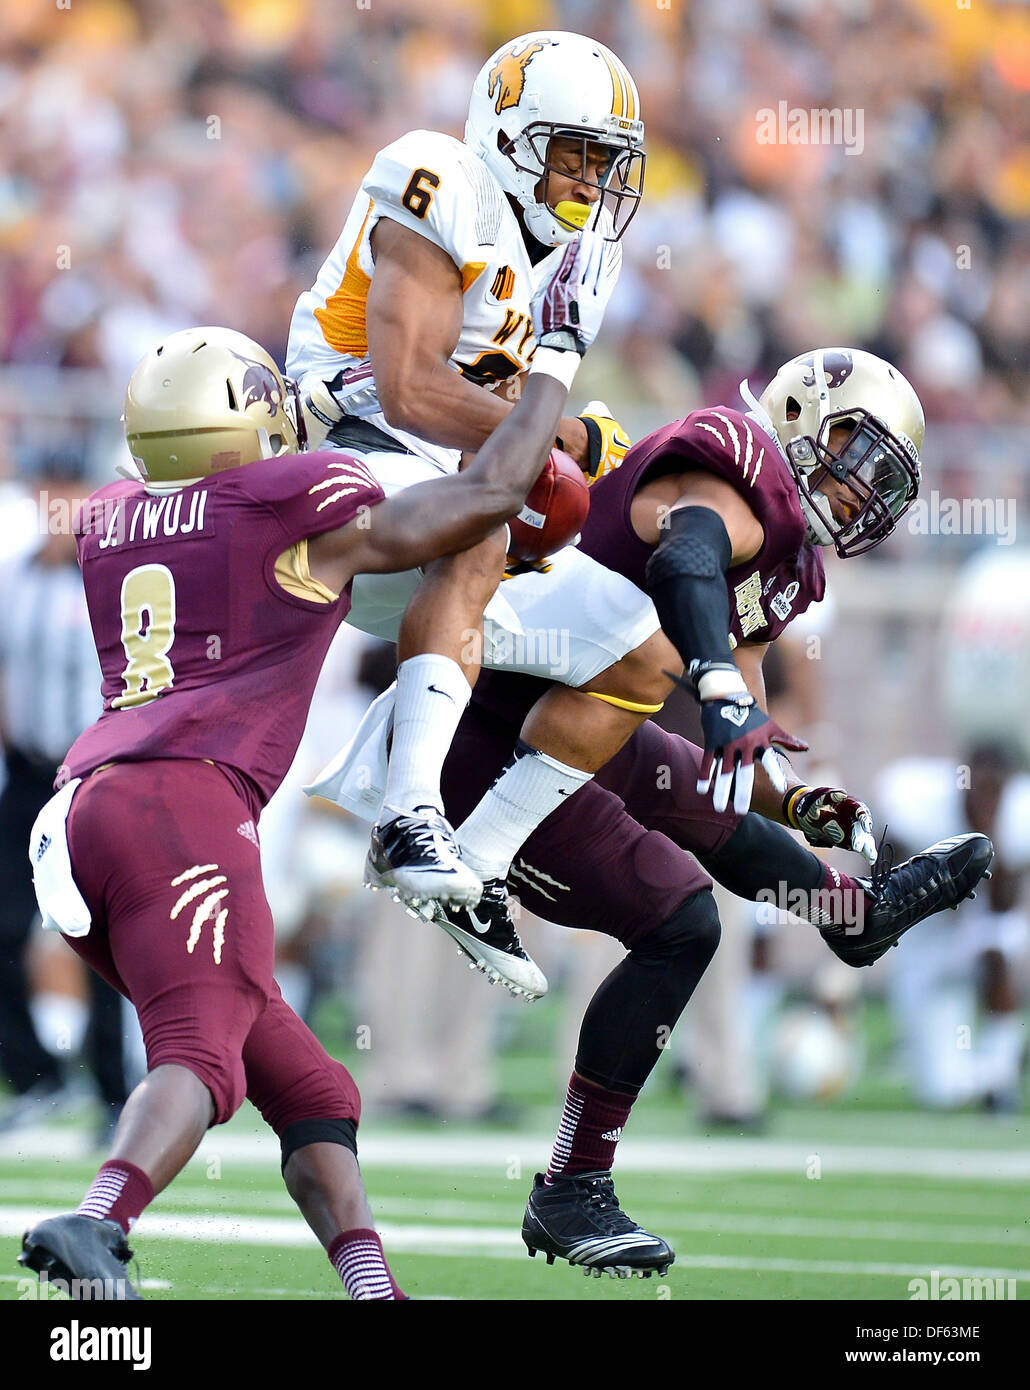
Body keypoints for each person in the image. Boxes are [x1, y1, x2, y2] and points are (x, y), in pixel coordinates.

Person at [18, 230, 609, 1301]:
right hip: (185, 802)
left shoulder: (111, 519)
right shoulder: (282, 502)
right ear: (247, 422)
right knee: (202, 1053)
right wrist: (551, 377)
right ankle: (98, 1220)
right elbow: (483, 499)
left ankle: (374, 1291)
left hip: (83, 811)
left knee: (312, 1083)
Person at [323, 347, 992, 1277]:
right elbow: (687, 556)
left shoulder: (789, 553)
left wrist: (799, 798)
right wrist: (717, 678)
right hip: (496, 725)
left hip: (575, 724)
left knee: (708, 791)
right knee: (680, 920)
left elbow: (737, 747)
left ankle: (853, 914)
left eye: (882, 478)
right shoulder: (731, 458)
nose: (860, 487)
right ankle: (572, 1187)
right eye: (856, 452)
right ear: (803, 413)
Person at [287, 32, 777, 963]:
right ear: (511, 136)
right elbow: (411, 390)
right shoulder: (441, 177)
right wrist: (549, 392)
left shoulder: (569, 257)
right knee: (486, 508)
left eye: (607, 164)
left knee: (646, 656)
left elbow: (515, 424)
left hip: (444, 491)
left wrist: (578, 439)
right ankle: (408, 816)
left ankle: (477, 863)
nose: (593, 185)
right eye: (577, 155)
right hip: (345, 465)